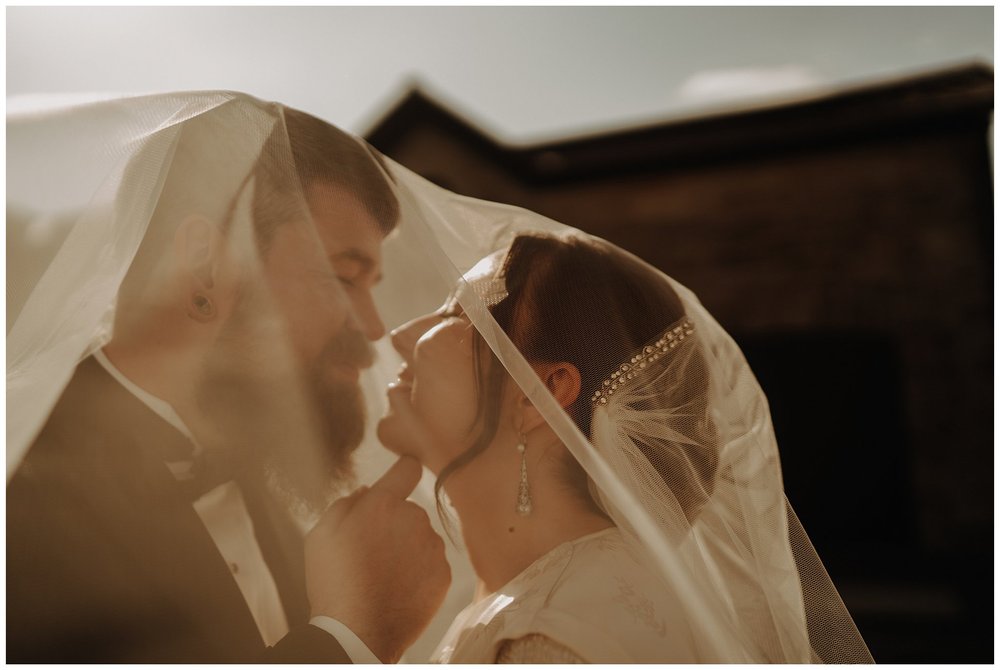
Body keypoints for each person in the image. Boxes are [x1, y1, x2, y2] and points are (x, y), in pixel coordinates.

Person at [7, 94, 450, 663]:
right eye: (342, 277)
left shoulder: (263, 497)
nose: (372, 330)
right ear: (204, 267)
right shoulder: (20, 485)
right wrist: (353, 638)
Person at [378, 232, 874, 663]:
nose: (402, 335)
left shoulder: (550, 640)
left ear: (542, 394)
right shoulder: (564, 596)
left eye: (460, 315)